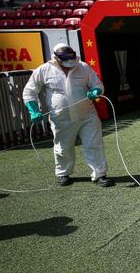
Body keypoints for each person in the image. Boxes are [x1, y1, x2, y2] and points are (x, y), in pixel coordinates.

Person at [23, 43, 114, 187]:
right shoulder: (44, 70)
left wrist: (96, 91)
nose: (69, 64)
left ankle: (100, 175)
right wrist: (33, 109)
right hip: (61, 117)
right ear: (56, 58)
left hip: (87, 114)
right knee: (63, 147)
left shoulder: (83, 67)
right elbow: (29, 91)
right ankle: (63, 173)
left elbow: (98, 84)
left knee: (94, 144)